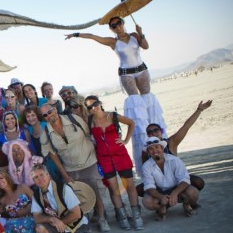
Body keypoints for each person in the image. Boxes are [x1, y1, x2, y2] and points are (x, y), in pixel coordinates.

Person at [66, 18, 166, 169]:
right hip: (126, 74)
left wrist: (141, 34)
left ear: (123, 24)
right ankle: (143, 141)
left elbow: (146, 46)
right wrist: (76, 34)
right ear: (111, 29)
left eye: (119, 23)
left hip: (142, 70)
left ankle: (158, 135)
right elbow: (94, 37)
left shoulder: (134, 35)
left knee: (148, 99)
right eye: (113, 25)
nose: (117, 26)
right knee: (136, 103)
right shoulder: (113, 42)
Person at [38, 102, 109, 232]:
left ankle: (102, 219)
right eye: (45, 115)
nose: (49, 115)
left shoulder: (74, 119)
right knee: (79, 198)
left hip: (89, 162)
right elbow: (52, 154)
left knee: (96, 193)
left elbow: (89, 133)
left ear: (55, 110)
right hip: (70, 168)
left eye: (50, 111)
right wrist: (64, 174)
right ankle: (85, 224)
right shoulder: (46, 133)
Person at [85, 96, 143, 230]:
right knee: (114, 188)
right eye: (90, 107)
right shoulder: (89, 121)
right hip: (104, 158)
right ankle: (122, 216)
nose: (94, 107)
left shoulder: (113, 116)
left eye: (96, 104)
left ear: (100, 103)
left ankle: (137, 216)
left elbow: (131, 123)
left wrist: (126, 140)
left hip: (120, 155)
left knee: (129, 186)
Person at [30, 164, 98, 233]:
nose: (40, 179)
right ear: (33, 181)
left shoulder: (63, 188)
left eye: (42, 175)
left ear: (48, 175)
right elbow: (36, 217)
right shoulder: (36, 195)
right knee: (39, 228)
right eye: (36, 177)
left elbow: (76, 213)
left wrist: (61, 222)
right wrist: (51, 219)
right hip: (56, 225)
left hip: (74, 225)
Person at [141, 100, 212, 191]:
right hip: (160, 181)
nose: (153, 133)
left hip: (176, 178)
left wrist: (199, 110)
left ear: (161, 132)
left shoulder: (171, 142)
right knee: (139, 189)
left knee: (199, 182)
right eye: (150, 132)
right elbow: (145, 167)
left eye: (156, 130)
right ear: (147, 135)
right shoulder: (146, 150)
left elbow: (186, 126)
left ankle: (188, 200)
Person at [141, 137, 200, 220]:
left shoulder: (175, 160)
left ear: (162, 148)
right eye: (151, 149)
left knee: (193, 192)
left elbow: (185, 179)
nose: (154, 151)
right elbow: (149, 186)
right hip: (160, 191)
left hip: (177, 189)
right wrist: (160, 197)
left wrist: (175, 193)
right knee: (147, 201)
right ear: (148, 152)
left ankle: (186, 204)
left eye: (157, 147)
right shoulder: (146, 166)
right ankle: (162, 206)